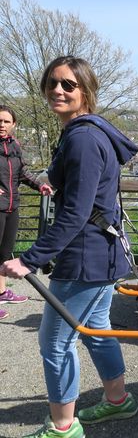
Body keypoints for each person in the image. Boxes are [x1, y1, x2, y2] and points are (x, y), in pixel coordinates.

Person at [0, 56, 138, 438]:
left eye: (68, 85)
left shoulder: (81, 137)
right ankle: (117, 401)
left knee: (55, 343)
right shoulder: (91, 132)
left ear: (85, 90)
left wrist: (30, 259)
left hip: (86, 259)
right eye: (52, 83)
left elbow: (76, 212)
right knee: (96, 330)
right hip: (106, 254)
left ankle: (63, 427)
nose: (58, 90)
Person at [0, 104, 53, 320]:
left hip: (12, 206)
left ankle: (1, 292)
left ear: (14, 125)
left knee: (4, 252)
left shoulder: (14, 146)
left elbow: (22, 172)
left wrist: (40, 185)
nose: (1, 125)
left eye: (6, 121)